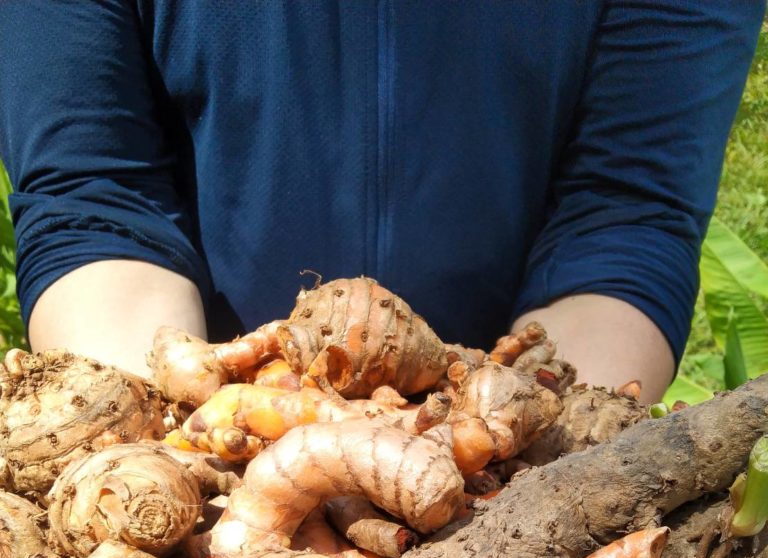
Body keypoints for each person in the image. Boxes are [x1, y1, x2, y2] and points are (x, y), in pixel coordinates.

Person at [0, 2, 764, 401]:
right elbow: (96, 200)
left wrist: (515, 464)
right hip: (202, 415)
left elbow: (624, 217)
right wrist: (173, 456)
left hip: (512, 432)